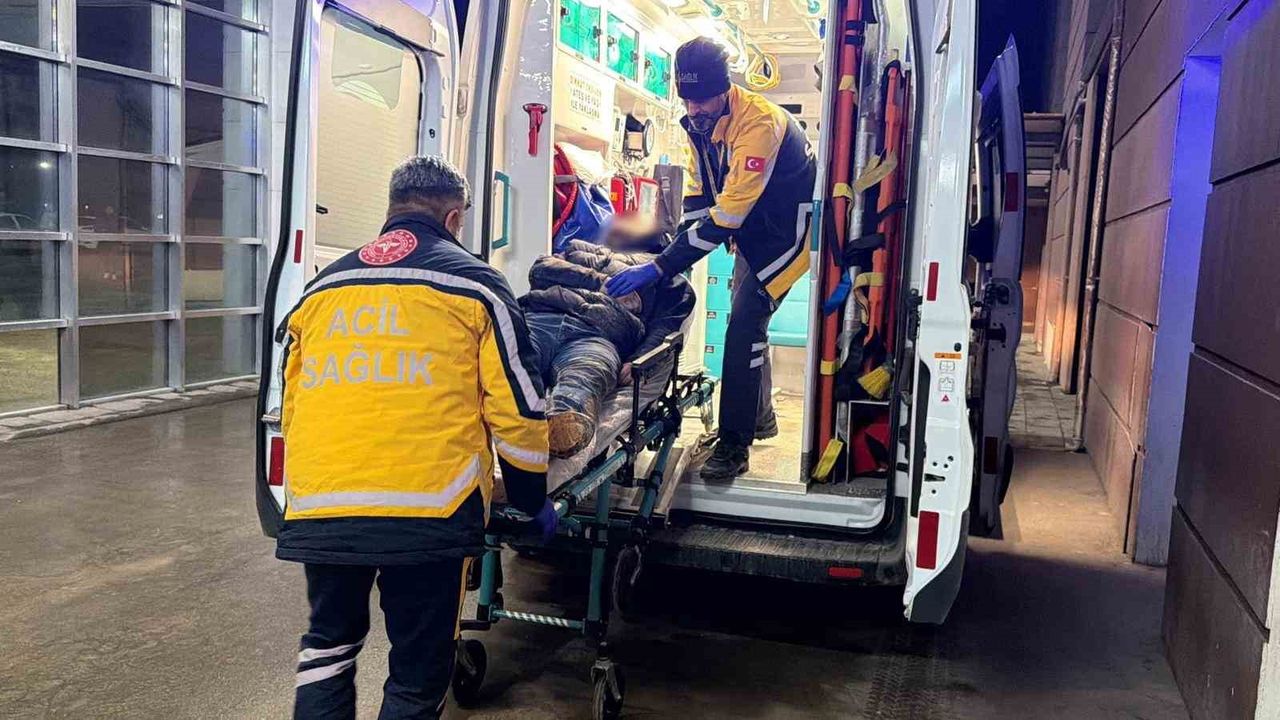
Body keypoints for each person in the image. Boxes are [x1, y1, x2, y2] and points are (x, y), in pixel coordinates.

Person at [275, 156, 558, 720]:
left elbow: (292, 404)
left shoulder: (322, 288)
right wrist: (531, 499)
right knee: (416, 671)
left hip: (322, 508)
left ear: (391, 209)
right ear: (453, 218)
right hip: (431, 511)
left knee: (328, 648)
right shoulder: (476, 285)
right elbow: (519, 409)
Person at [605, 37, 817, 481]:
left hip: (782, 239)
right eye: (687, 99)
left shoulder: (759, 123)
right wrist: (670, 248)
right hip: (749, 234)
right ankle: (761, 419)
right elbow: (701, 196)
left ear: (724, 89)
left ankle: (735, 445)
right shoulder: (699, 124)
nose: (694, 108)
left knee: (743, 328)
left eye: (701, 99)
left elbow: (728, 214)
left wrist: (661, 266)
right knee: (747, 325)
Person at [523, 217, 696, 457]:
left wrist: (638, 361)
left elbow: (664, 328)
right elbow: (541, 270)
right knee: (509, 368)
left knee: (585, 376)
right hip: (542, 315)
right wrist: (605, 284)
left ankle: (565, 424)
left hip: (599, 337)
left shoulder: (673, 284)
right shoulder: (578, 250)